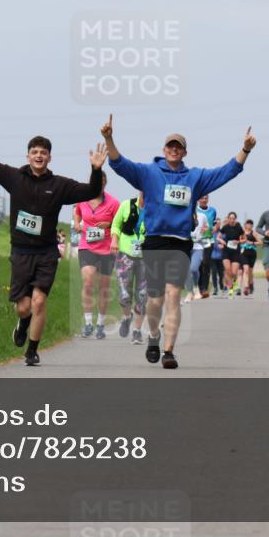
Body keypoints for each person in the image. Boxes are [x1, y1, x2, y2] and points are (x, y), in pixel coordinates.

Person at [101, 114, 255, 369]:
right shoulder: (149, 172)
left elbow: (227, 172)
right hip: (153, 242)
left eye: (178, 146)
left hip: (180, 243)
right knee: (155, 299)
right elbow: (119, 164)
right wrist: (108, 138)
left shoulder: (194, 177)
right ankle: (153, 336)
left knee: (173, 296)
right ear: (164, 150)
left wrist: (245, 150)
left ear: (184, 152)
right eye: (170, 146)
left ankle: (169, 351)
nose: (174, 149)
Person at [0, 104, 106, 366]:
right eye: (34, 152)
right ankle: (22, 322)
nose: (39, 156)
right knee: (24, 306)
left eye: (44, 153)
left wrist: (96, 170)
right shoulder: (14, 177)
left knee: (39, 301)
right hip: (20, 252)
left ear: (50, 157)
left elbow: (90, 191)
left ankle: (32, 350)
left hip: (46, 253)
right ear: (28, 156)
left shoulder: (60, 185)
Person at [74, 172, 119, 339]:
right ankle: (88, 323)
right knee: (88, 281)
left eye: (102, 181)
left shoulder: (114, 203)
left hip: (107, 248)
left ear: (105, 183)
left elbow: (119, 223)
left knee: (104, 287)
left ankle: (100, 323)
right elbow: (77, 211)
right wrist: (77, 223)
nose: (99, 184)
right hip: (87, 246)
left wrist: (109, 224)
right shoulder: (83, 198)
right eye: (96, 181)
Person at [110, 192, 146, 344]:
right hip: (125, 253)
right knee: (125, 294)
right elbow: (116, 225)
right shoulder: (126, 205)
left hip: (147, 256)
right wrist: (114, 240)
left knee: (143, 294)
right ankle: (126, 317)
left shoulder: (156, 208)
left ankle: (137, 331)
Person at [183, 208, 210, 304]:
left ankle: (195, 287)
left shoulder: (202, 216)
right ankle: (189, 292)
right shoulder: (182, 214)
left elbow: (207, 227)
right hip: (184, 245)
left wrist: (204, 230)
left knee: (194, 269)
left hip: (197, 246)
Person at [195, 195, 217, 298]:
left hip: (209, 241)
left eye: (206, 198)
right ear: (199, 199)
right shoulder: (195, 210)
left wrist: (215, 228)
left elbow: (214, 223)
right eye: (202, 198)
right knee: (198, 265)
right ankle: (199, 287)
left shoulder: (212, 210)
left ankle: (205, 288)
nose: (204, 200)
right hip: (197, 241)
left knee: (206, 263)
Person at [218, 212, 244, 299]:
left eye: (233, 218)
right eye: (230, 218)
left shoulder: (239, 228)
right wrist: (222, 241)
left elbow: (245, 239)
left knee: (234, 272)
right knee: (228, 270)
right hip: (226, 251)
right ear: (228, 219)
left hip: (236, 251)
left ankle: (234, 284)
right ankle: (231, 289)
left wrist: (239, 241)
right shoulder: (225, 227)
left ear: (235, 219)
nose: (232, 220)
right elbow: (218, 237)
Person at [239, 219, 263, 297]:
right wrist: (243, 241)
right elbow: (239, 241)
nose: (249, 225)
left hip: (252, 253)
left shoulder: (254, 233)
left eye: (251, 224)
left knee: (250, 271)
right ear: (245, 225)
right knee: (245, 269)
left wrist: (252, 242)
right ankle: (246, 287)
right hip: (243, 253)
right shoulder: (241, 233)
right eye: (248, 224)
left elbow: (260, 242)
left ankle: (251, 284)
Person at [209, 218, 225, 295]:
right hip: (212, 256)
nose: (217, 225)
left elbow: (226, 242)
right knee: (214, 273)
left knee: (221, 273)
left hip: (221, 256)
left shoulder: (222, 233)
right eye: (215, 224)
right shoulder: (210, 233)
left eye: (218, 224)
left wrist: (223, 245)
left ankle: (221, 284)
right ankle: (215, 288)